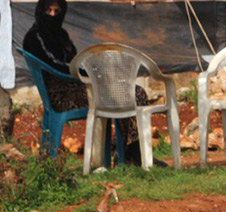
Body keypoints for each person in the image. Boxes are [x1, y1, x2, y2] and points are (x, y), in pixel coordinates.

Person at [23, 0, 153, 165]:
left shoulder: (62, 36)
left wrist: (94, 72)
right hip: (63, 98)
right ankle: (131, 155)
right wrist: (89, 72)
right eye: (49, 10)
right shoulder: (35, 37)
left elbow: (75, 61)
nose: (53, 15)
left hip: (81, 88)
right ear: (40, 10)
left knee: (135, 92)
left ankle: (132, 151)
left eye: (57, 11)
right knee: (127, 94)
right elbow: (56, 64)